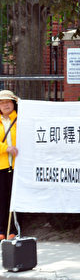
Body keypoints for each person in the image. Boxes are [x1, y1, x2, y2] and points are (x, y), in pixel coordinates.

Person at [0, 90, 19, 240]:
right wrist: (6, 148)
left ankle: (13, 229)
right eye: (1, 102)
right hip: (1, 166)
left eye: (8, 102)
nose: (5, 105)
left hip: (18, 167)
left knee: (15, 199)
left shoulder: (21, 120)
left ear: (13, 103)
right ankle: (1, 231)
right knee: (2, 199)